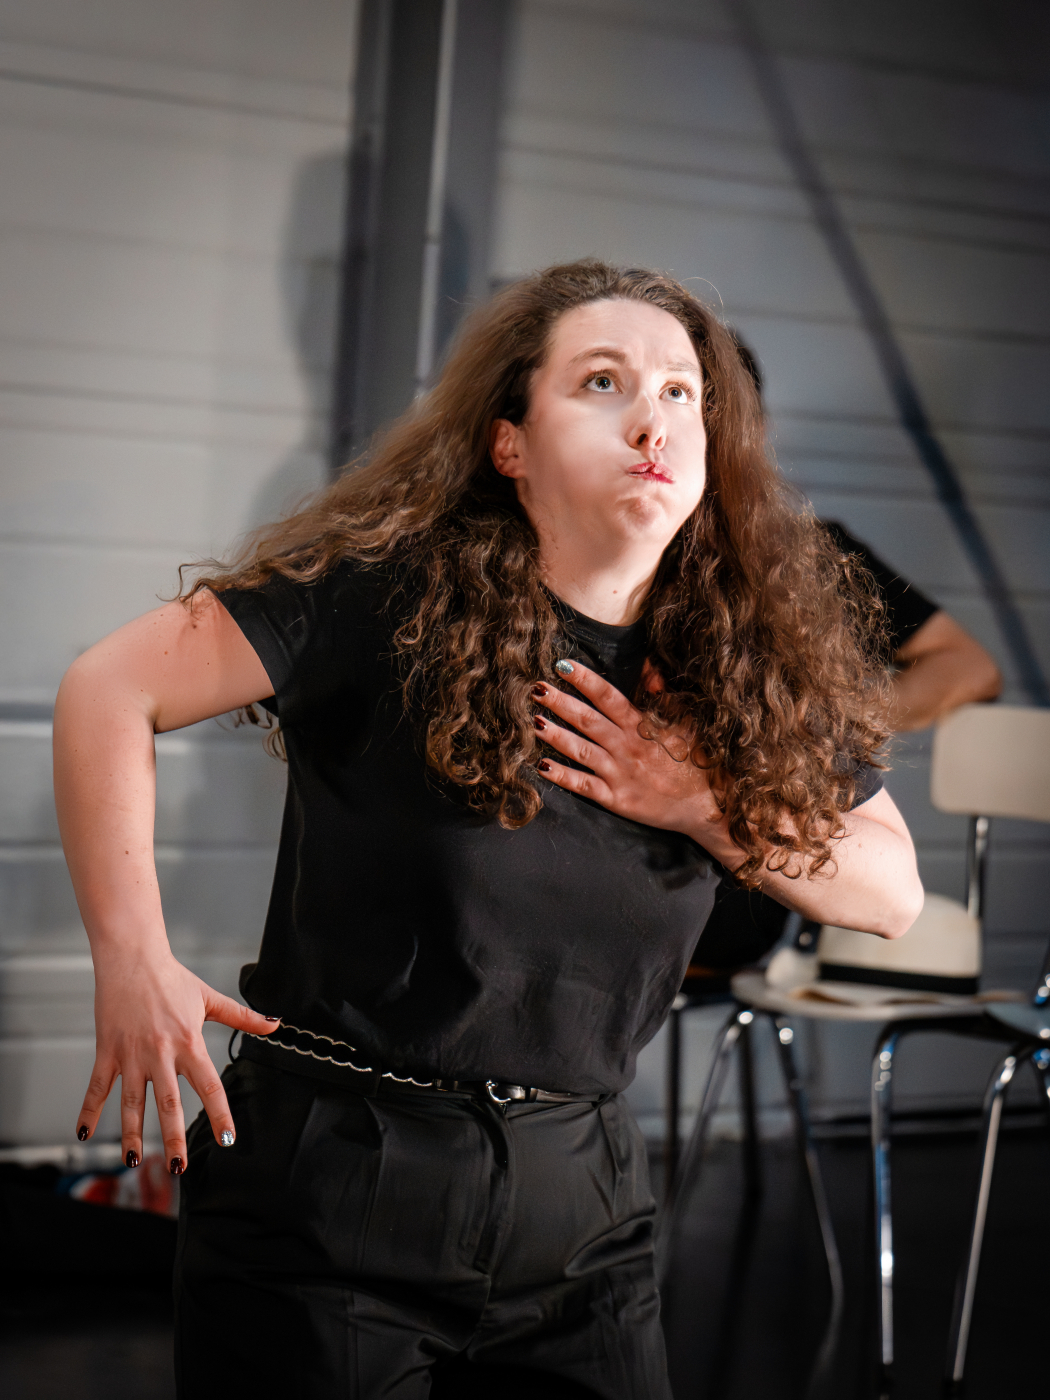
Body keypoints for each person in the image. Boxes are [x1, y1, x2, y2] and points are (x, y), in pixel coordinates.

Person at [54, 260, 923, 1399]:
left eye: (681, 392)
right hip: (335, 1184)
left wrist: (699, 801)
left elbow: (892, 892)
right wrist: (132, 957)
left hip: (585, 1202)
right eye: (603, 382)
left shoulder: (739, 667)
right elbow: (109, 687)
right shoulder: (386, 595)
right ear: (509, 441)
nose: (652, 419)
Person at [690, 346, 1002, 974]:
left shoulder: (809, 552)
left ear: (755, 433)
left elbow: (968, 668)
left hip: (733, 893)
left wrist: (814, 717)